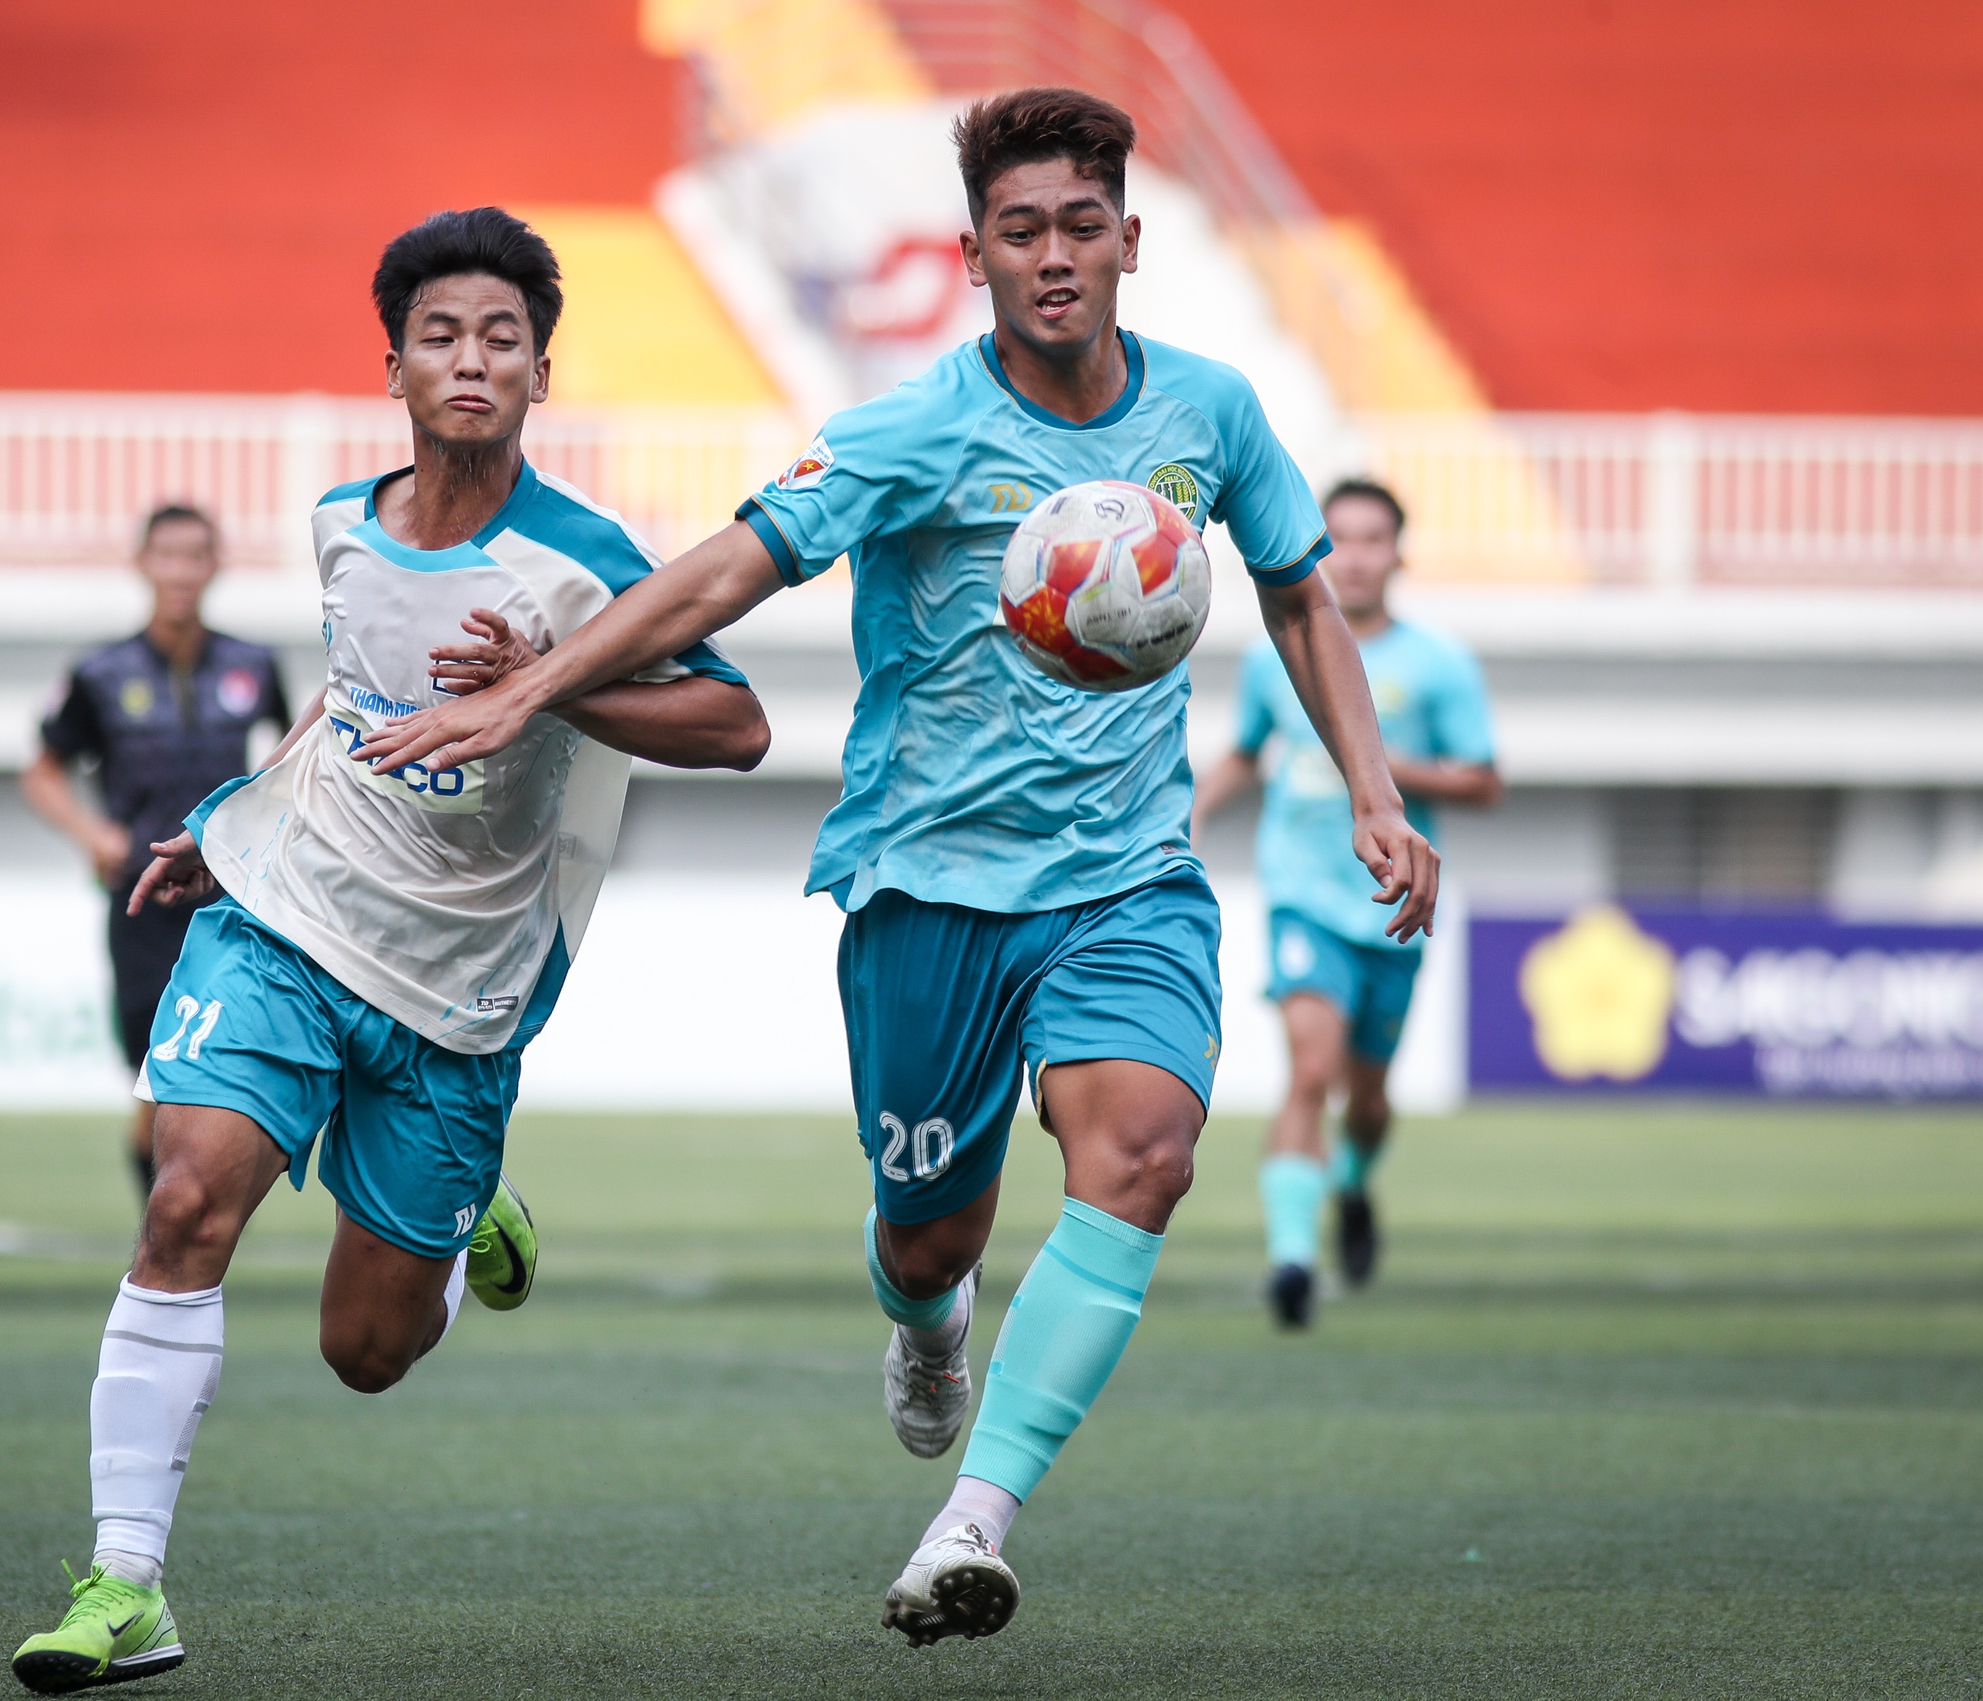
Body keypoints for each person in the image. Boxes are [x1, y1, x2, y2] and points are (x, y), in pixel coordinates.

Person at [353, 91, 1438, 1647]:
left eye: (1081, 225)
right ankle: (928, 1319)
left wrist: (1373, 791)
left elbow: (1298, 593)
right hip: (926, 889)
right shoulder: (911, 428)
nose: (1053, 255)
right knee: (931, 1232)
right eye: (1021, 230)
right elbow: (732, 561)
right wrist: (533, 685)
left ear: (1129, 241)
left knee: (1140, 1152)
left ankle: (972, 1519)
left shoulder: (1214, 413)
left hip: (1127, 879)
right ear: (973, 252)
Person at [7, 207, 768, 1694]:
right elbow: (347, 704)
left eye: (501, 337)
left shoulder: (583, 557)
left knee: (366, 1346)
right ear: (396, 367)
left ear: (542, 373)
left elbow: (735, 726)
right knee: (182, 1195)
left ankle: (471, 1202)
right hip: (289, 909)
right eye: (441, 334)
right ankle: (125, 1579)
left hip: (459, 986)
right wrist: (233, 817)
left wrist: (548, 688)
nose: (470, 359)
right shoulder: (342, 528)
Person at [1194, 478, 1499, 1329]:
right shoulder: (1274, 654)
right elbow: (1248, 750)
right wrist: (1196, 806)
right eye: (1343, 538)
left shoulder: (1439, 664)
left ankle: (1355, 1184)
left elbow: (1484, 779)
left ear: (1399, 552)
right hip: (1301, 893)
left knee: (1367, 1097)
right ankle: (1292, 1259)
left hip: (1392, 901)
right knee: (1311, 1072)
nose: (1357, 556)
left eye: (1374, 539)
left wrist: (1384, 766)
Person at [23, 505, 291, 1196]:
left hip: (228, 902)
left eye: (195, 555)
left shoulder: (253, 666)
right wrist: (95, 835)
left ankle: (189, 1219)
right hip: (142, 902)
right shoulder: (101, 673)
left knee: (220, 1073)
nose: (181, 570)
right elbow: (42, 772)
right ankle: (163, 1229)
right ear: (142, 564)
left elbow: (292, 764)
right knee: (154, 1077)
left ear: (216, 565)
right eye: (166, 554)